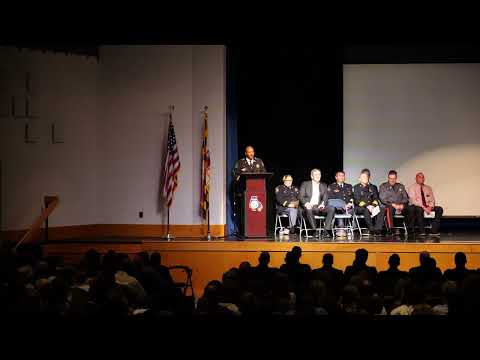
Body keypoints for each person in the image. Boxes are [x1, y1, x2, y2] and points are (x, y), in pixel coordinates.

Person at [299, 169, 335, 238]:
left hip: (319, 207)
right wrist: (306, 203)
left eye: (319, 174)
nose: (318, 176)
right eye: (316, 174)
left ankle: (326, 230)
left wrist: (323, 204)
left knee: (331, 208)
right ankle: (314, 230)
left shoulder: (323, 185)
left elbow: (325, 197)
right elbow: (300, 196)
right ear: (312, 176)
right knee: (308, 209)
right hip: (309, 206)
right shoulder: (305, 184)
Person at [407, 172, 443, 236]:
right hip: (418, 206)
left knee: (439, 209)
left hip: (427, 206)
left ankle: (434, 230)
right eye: (420, 177)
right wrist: (424, 207)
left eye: (423, 177)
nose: (422, 179)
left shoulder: (428, 188)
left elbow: (432, 199)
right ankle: (422, 231)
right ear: (416, 178)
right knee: (419, 209)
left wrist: (430, 207)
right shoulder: (412, 188)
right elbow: (413, 201)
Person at [379, 170, 415, 234]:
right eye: (390, 178)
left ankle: (409, 228)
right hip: (389, 205)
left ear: (396, 178)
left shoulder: (401, 186)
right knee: (389, 209)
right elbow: (382, 199)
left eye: (394, 178)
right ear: (388, 178)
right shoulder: (383, 186)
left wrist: (401, 205)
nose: (392, 180)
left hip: (400, 205)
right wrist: (393, 204)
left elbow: (405, 198)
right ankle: (390, 229)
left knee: (411, 209)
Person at [353, 170, 385, 236]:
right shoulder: (356, 187)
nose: (365, 178)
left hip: (372, 206)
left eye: (366, 177)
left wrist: (373, 205)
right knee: (366, 210)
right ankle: (371, 229)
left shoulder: (373, 187)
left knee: (382, 208)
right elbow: (357, 200)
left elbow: (376, 198)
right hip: (361, 207)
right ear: (359, 179)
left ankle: (378, 229)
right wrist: (367, 206)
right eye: (363, 177)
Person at [327, 171, 354, 238]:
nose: (342, 177)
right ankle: (341, 228)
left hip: (348, 207)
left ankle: (349, 229)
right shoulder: (332, 186)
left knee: (352, 211)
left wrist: (349, 203)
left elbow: (352, 197)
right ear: (336, 177)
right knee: (339, 211)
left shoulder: (349, 186)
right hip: (338, 208)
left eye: (343, 175)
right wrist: (342, 205)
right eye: (340, 175)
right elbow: (330, 199)